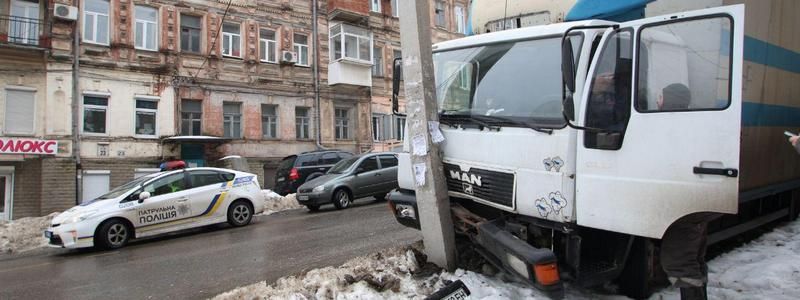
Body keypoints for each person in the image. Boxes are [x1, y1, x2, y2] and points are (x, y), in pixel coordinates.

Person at [658, 82, 712, 300]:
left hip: (684, 207)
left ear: (669, 100)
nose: (657, 100)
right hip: (697, 203)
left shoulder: (669, 124)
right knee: (694, 258)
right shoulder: (694, 122)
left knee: (679, 261)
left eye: (661, 97)